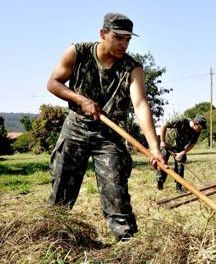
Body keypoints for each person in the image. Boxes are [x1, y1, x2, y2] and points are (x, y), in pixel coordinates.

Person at [46, 12, 165, 241]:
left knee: (116, 189)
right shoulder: (78, 52)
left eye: (128, 39)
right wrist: (81, 100)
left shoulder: (132, 68)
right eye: (119, 37)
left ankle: (127, 241)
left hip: (109, 135)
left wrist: (154, 148)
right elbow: (53, 83)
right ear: (103, 34)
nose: (124, 44)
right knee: (62, 189)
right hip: (76, 128)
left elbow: (140, 105)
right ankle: (51, 236)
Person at [156, 115, 206, 191]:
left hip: (179, 148)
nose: (200, 130)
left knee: (180, 167)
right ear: (195, 123)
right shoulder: (181, 121)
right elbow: (164, 125)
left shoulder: (197, 132)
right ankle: (160, 182)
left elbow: (192, 144)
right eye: (200, 128)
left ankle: (178, 187)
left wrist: (182, 153)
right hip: (168, 144)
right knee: (163, 162)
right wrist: (162, 141)